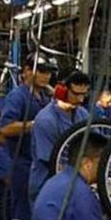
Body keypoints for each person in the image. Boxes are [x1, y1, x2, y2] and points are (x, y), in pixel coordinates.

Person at [0, 54, 56, 220]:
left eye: (48, 71)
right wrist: (36, 123)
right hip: (22, 167)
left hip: (38, 167)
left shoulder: (44, 97)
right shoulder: (18, 96)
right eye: (40, 70)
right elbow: (5, 127)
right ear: (26, 71)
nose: (45, 75)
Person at [28, 71, 91, 204]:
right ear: (61, 91)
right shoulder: (45, 120)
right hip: (47, 187)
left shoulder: (83, 114)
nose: (81, 100)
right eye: (76, 94)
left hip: (74, 183)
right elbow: (52, 161)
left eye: (84, 94)